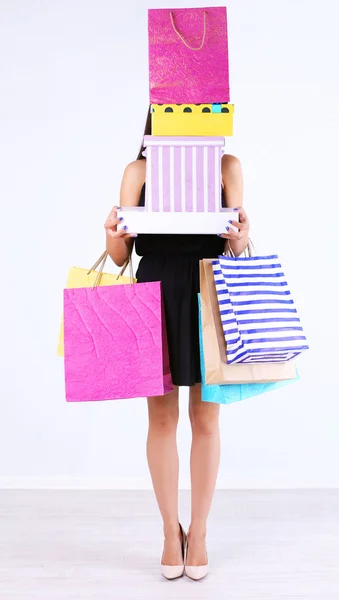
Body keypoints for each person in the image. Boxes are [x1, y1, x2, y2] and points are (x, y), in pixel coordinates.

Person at [104, 110, 250, 581]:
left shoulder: (227, 166)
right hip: (157, 289)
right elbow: (123, 254)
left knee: (206, 416)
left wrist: (242, 236)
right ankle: (171, 533)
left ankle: (200, 533)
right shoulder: (139, 171)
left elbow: (235, 246)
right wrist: (112, 238)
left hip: (209, 288)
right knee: (162, 417)